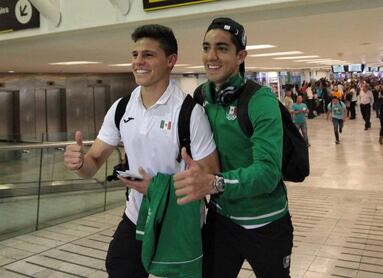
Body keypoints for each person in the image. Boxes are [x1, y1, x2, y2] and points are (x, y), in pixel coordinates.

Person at [64, 24, 219, 278]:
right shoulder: (122, 108)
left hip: (177, 221)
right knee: (119, 267)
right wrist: (79, 163)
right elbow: (92, 163)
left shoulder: (190, 113)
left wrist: (158, 188)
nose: (138, 62)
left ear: (171, 61)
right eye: (135, 55)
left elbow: (212, 177)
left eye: (148, 55)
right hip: (137, 216)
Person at [174, 17, 294, 278]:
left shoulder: (260, 101)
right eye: (206, 47)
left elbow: (267, 173)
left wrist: (215, 183)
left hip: (266, 223)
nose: (211, 56)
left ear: (241, 56)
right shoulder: (202, 96)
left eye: (222, 48)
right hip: (221, 220)